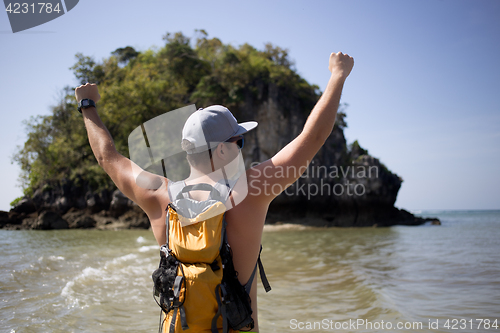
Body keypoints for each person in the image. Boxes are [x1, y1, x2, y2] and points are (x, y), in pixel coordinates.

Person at [75, 52, 354, 332]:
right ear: (222, 149)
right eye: (239, 141)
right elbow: (314, 136)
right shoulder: (251, 191)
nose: (240, 148)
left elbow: (107, 157)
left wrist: (88, 105)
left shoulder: (157, 194)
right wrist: (337, 75)